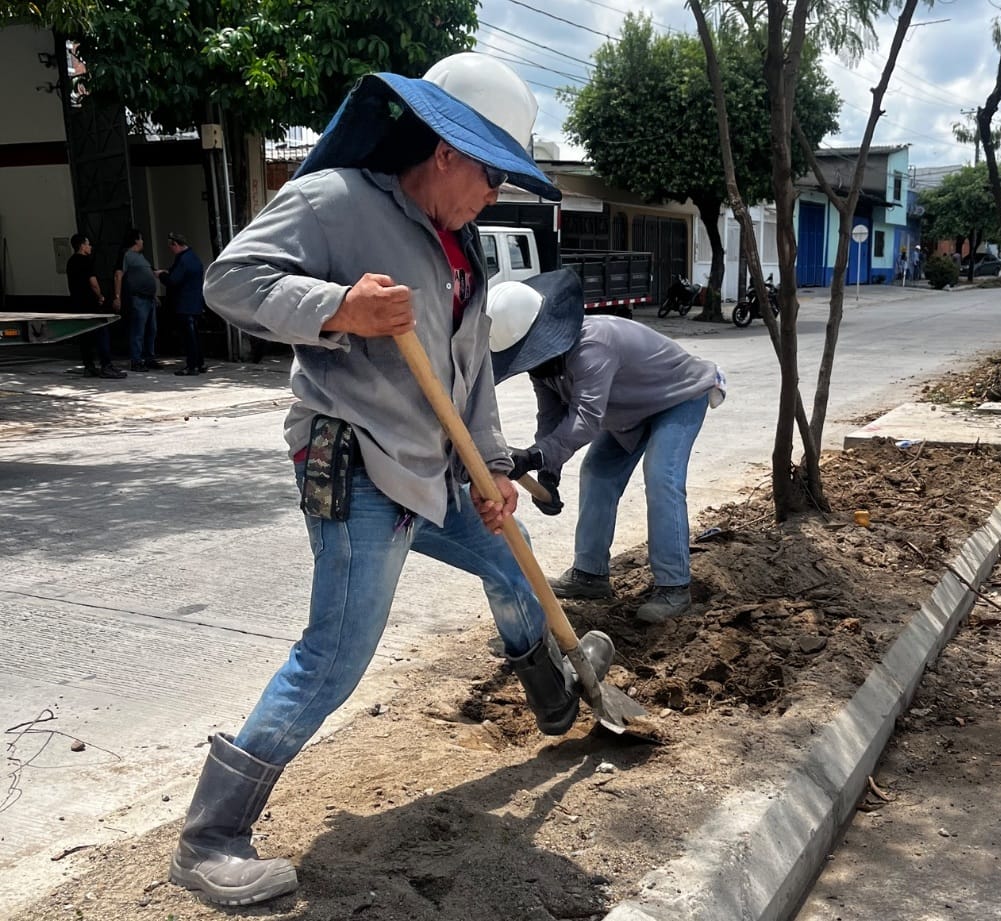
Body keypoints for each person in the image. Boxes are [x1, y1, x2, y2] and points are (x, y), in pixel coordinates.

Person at [167, 54, 614, 908]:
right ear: (445, 150)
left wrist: (492, 468)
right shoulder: (335, 201)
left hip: (432, 467)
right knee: (336, 652)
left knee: (509, 557)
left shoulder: (466, 251)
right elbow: (231, 280)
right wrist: (339, 308)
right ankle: (210, 836)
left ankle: (556, 697)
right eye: (490, 175)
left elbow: (473, 378)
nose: (495, 195)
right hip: (357, 460)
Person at [488, 270, 726, 625]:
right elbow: (551, 417)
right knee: (597, 473)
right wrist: (548, 473)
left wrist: (534, 456)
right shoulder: (543, 367)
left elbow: (585, 418)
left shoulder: (593, 344)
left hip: (678, 397)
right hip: (630, 411)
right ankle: (590, 575)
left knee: (661, 477)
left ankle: (674, 587)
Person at [65, 234, 126, 379]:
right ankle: (106, 365)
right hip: (90, 303)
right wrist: (99, 296)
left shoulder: (71, 262)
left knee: (84, 335)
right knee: (102, 332)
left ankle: (89, 366)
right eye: (88, 244)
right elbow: (93, 282)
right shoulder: (86, 261)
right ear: (82, 246)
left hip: (77, 303)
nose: (90, 246)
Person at [157, 232, 207, 375]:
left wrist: (161, 275)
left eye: (171, 247)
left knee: (189, 337)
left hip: (185, 304)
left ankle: (192, 366)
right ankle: (199, 363)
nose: (171, 250)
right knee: (195, 335)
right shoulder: (193, 257)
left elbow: (173, 280)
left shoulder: (183, 260)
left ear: (176, 244)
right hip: (195, 303)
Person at [113, 228, 162, 371]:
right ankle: (136, 360)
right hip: (138, 298)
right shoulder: (126, 254)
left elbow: (150, 274)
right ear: (136, 240)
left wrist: (154, 295)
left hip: (149, 298)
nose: (143, 242)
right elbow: (118, 275)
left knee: (151, 330)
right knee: (138, 330)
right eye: (141, 239)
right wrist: (117, 297)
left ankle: (149, 358)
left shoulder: (142, 257)